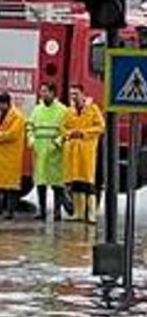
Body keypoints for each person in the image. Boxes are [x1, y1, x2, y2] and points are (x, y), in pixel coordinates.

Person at [27, 83, 72, 222]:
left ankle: (57, 212)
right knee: (40, 183)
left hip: (55, 151)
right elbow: (30, 126)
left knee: (57, 184)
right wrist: (31, 139)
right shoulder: (37, 109)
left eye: (45, 91)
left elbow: (67, 129)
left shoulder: (62, 110)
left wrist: (58, 141)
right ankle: (42, 211)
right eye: (41, 91)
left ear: (53, 93)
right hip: (40, 150)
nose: (42, 94)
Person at [62, 87, 105, 223]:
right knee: (76, 182)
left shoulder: (93, 109)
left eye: (76, 94)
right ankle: (78, 213)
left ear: (82, 94)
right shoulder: (69, 111)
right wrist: (69, 133)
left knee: (88, 183)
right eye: (71, 94)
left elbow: (100, 127)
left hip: (87, 151)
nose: (73, 97)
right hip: (73, 150)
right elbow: (62, 127)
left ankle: (91, 214)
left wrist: (83, 133)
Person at [0, 92, 26, 220]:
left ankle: (10, 211)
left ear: (6, 103)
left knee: (11, 185)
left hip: (11, 155)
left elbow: (12, 134)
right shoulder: (1, 115)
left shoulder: (18, 116)